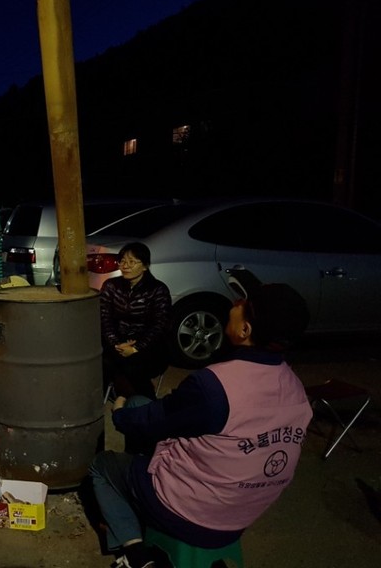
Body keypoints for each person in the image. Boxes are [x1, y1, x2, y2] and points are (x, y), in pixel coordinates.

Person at [89, 274, 313, 568]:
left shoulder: (216, 385)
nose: (235, 303)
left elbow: (151, 420)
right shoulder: (295, 388)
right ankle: (143, 501)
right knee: (140, 402)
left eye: (242, 303)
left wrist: (119, 413)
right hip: (242, 514)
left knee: (102, 465)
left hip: (193, 513)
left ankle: (134, 553)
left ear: (245, 329)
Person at [99, 242, 172, 399]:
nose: (125, 266)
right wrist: (116, 344)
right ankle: (101, 402)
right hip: (117, 342)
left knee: (133, 366)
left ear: (145, 266)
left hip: (149, 346)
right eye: (123, 261)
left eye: (132, 262)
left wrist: (136, 348)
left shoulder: (158, 289)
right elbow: (105, 319)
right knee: (101, 362)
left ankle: (148, 404)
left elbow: (160, 325)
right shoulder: (111, 286)